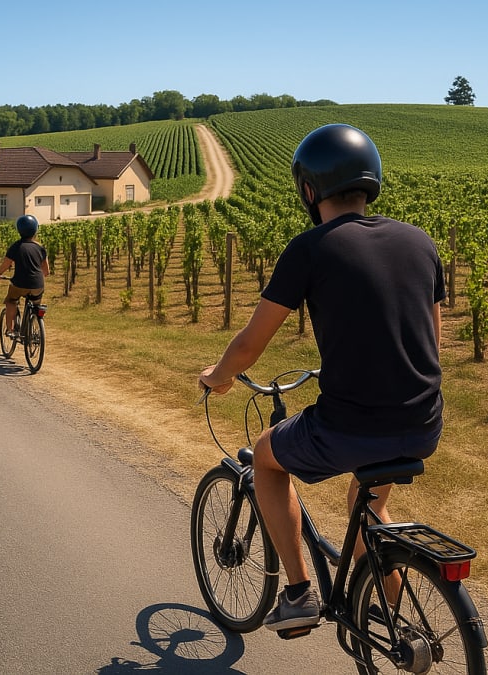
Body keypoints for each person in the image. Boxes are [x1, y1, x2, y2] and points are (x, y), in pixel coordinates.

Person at [199, 124, 445, 632]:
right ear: (370, 179)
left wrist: (218, 376)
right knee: (366, 503)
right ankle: (392, 620)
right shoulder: (420, 242)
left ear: (308, 190)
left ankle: (297, 593)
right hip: (422, 422)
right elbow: (432, 344)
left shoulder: (310, 248)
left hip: (349, 426)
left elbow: (250, 343)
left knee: (266, 460)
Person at [0, 214, 49, 336]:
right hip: (38, 285)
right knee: (36, 304)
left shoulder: (16, 247)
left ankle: (10, 330)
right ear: (35, 230)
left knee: (11, 301)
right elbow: (46, 271)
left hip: (20, 284)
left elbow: (6, 264)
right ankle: (33, 328)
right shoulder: (40, 248)